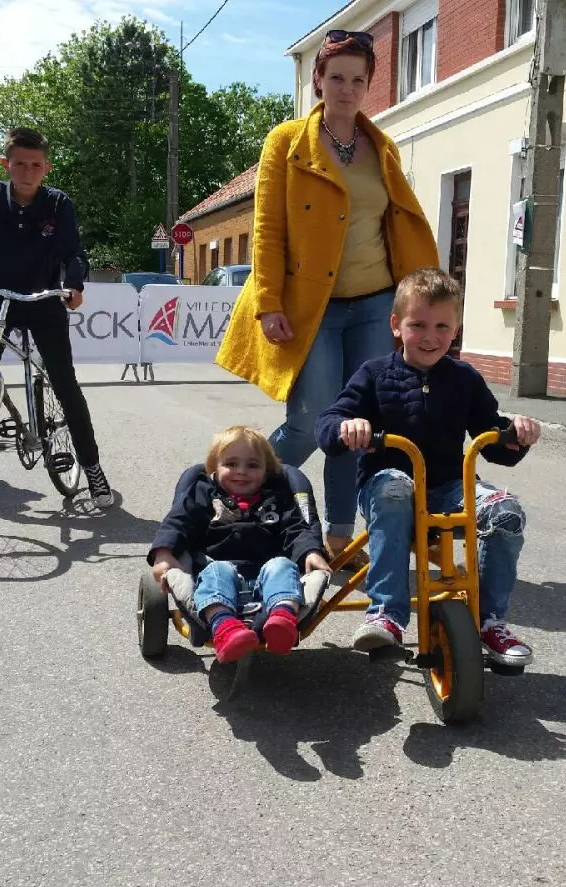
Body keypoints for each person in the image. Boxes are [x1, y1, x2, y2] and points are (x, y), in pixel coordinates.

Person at [215, 29, 440, 571]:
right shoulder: (287, 142)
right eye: (335, 77)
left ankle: (338, 538)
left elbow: (397, 225)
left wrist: (420, 305)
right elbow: (267, 229)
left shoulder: (381, 146)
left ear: (368, 86)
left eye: (357, 80)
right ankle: (228, 501)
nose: (345, 88)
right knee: (309, 421)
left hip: (374, 302)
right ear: (318, 79)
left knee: (353, 427)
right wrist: (269, 302)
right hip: (312, 308)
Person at [315, 268, 543, 664]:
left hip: (449, 486)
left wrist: (515, 434)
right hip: (386, 484)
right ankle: (386, 613)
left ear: (456, 330)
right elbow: (328, 425)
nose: (430, 336)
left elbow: (492, 441)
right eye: (417, 324)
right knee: (396, 490)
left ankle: (489, 622)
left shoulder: (464, 378)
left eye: (442, 326)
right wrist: (347, 427)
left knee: (506, 513)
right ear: (395, 326)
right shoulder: (374, 374)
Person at [0, 126, 113, 510]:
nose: (27, 172)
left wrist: (74, 284)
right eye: (19, 164)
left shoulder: (58, 204)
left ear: (46, 167)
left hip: (44, 300)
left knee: (65, 385)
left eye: (35, 165)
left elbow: (73, 253)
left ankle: (94, 468)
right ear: (6, 164)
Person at [148, 426, 332, 663]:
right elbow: (179, 521)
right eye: (231, 464)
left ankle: (282, 620)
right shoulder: (205, 493)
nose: (241, 472)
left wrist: (311, 551)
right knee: (217, 571)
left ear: (267, 471)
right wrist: (164, 552)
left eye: (253, 465)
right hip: (215, 571)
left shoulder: (276, 497)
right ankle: (225, 628)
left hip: (267, 578)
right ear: (215, 467)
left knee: (282, 565)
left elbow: (295, 528)